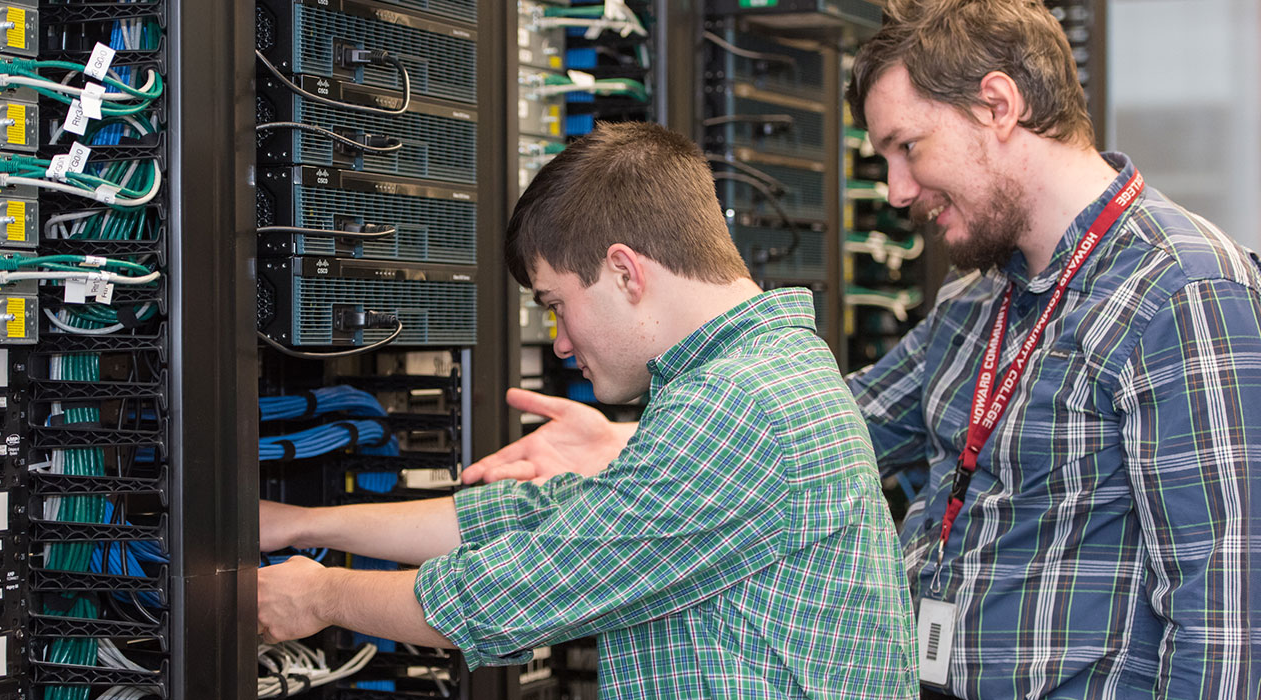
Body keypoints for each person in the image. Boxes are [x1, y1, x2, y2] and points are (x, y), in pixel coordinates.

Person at [465, 1, 1261, 698]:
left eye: (906, 146)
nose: (896, 190)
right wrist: (632, 444)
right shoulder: (977, 298)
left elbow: (1225, 616)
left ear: (998, 105)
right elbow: (827, 425)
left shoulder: (1183, 291)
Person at [257, 121, 919, 698]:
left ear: (625, 272)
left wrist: (320, 596)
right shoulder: (757, 376)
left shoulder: (739, 406)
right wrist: (307, 523)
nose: (561, 341)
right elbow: (540, 518)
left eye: (555, 304)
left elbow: (517, 593)